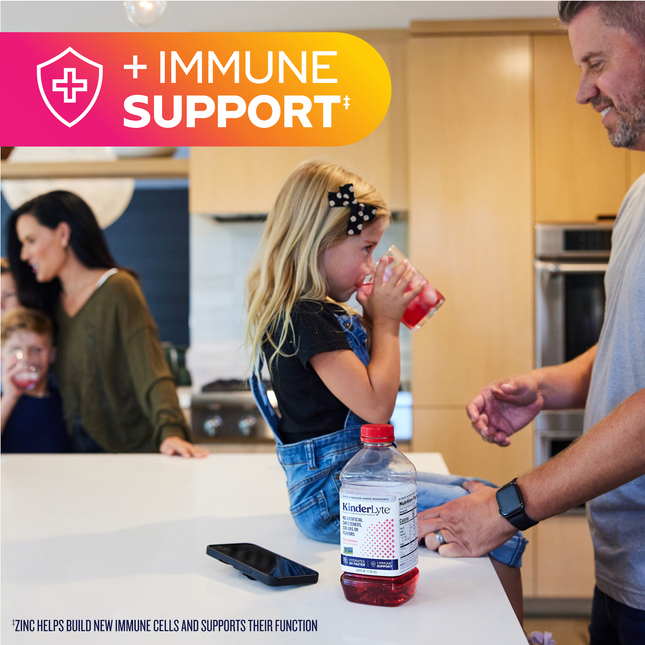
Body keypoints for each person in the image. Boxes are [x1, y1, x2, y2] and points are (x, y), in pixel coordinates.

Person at [418, 2, 645, 641]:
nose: (582, 91)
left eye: (596, 63)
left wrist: (506, 506)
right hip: (624, 565)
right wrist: (552, 386)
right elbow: (628, 345)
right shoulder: (639, 195)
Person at [245, 160, 528, 621]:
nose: (371, 265)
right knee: (502, 522)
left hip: (355, 480)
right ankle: (515, 635)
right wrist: (387, 322)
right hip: (334, 499)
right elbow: (376, 407)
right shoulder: (305, 319)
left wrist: (379, 318)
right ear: (320, 240)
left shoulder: (324, 314)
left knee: (485, 492)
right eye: (366, 248)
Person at [6, 190, 207, 458]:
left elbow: (150, 369)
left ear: (63, 234)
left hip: (131, 454)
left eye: (30, 240)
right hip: (79, 459)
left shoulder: (117, 289)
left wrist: (170, 431)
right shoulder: (50, 303)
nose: (23, 254)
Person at [1, 307, 69, 452]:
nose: (26, 358)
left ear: (52, 355)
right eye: (15, 350)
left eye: (36, 349)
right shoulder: (3, 402)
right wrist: (9, 398)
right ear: (2, 357)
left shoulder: (63, 401)